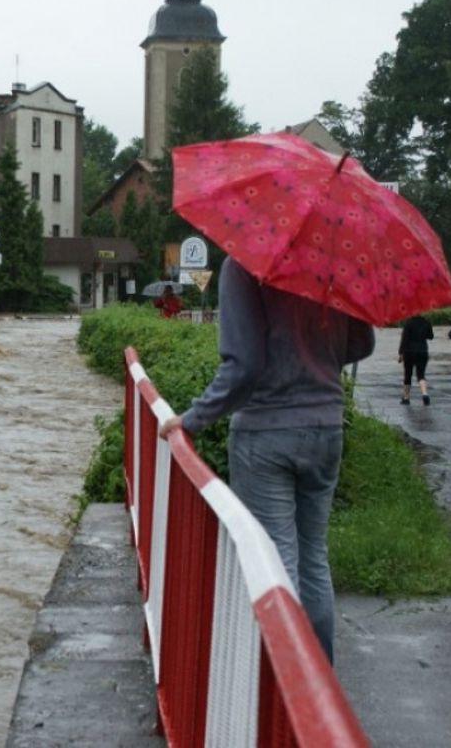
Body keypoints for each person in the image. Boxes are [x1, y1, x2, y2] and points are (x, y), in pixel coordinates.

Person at [158, 257, 375, 664]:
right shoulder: (332, 262)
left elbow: (244, 366)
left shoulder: (246, 265)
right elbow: (363, 344)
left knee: (274, 564)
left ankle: (285, 698)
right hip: (326, 427)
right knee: (313, 558)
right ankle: (318, 682)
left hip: (265, 432)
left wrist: (190, 420)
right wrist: (313, 354)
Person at [398, 314, 433, 406]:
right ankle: (425, 393)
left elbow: (404, 339)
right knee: (421, 374)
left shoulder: (408, 323)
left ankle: (406, 397)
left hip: (409, 352)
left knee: (408, 374)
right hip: (422, 351)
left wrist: (400, 353)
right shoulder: (426, 322)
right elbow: (431, 336)